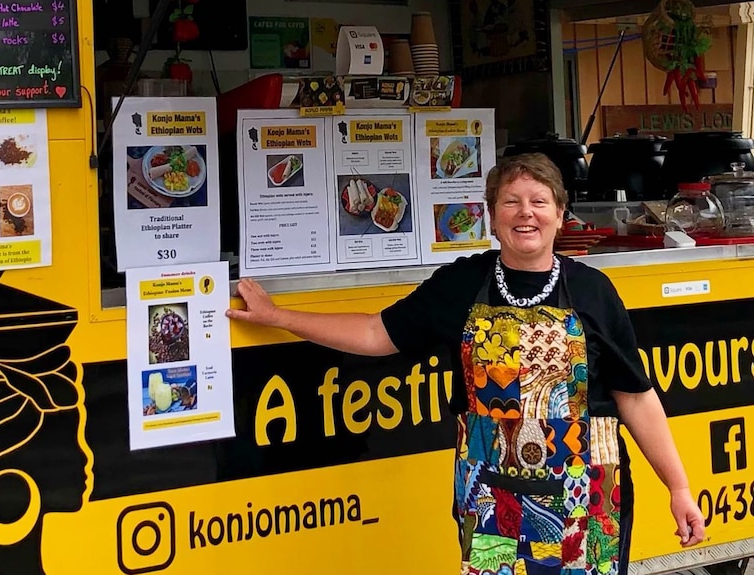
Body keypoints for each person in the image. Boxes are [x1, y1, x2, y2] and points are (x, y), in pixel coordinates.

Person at [226, 152, 705, 574]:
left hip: (587, 498)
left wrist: (678, 486)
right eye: (511, 202)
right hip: (490, 496)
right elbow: (375, 332)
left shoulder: (594, 291)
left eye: (539, 202)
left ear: (561, 215)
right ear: (492, 218)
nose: (526, 214)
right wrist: (278, 316)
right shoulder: (460, 285)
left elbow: (636, 397)